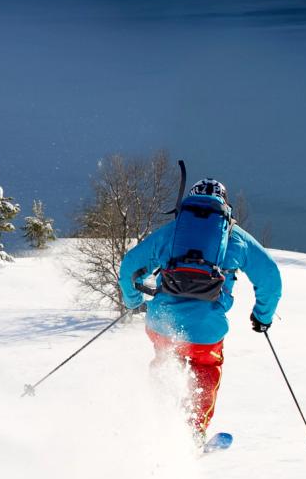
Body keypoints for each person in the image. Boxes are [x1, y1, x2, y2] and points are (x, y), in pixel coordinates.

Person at [118, 178, 282, 440]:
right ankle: (193, 431)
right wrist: (262, 316)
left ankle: (157, 421)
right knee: (205, 368)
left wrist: (134, 302)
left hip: (162, 324)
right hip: (205, 332)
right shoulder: (234, 237)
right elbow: (270, 276)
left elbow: (129, 267)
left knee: (165, 360)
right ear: (224, 204)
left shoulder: (174, 232)